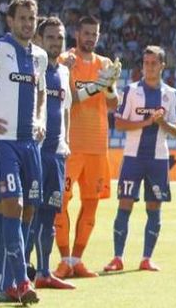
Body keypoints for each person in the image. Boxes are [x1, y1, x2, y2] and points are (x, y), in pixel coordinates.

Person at [103, 46, 176, 273]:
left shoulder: (171, 94)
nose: (149, 67)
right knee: (124, 204)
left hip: (158, 158)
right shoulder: (131, 91)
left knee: (154, 207)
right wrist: (147, 123)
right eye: (146, 63)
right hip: (132, 157)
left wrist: (161, 123)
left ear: (162, 66)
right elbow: (118, 123)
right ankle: (117, 257)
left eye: (153, 63)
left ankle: (146, 258)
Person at [54, 16, 121, 279]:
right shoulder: (65, 61)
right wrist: (98, 85)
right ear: (77, 34)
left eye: (95, 33)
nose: (90, 37)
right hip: (70, 145)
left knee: (91, 203)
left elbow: (114, 104)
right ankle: (62, 260)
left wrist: (110, 86)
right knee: (61, 203)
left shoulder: (104, 63)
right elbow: (71, 99)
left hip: (97, 146)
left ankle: (77, 260)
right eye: (86, 33)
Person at [0, 0, 48, 304]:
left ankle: (12, 279)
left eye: (32, 19)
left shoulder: (39, 57)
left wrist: (40, 119)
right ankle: (20, 280)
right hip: (5, 144)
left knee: (30, 209)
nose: (28, 24)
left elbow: (41, 94)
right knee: (13, 205)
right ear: (10, 21)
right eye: (22, 18)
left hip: (31, 144)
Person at [28, 17, 75, 290]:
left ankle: (45, 271)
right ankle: (24, 272)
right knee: (28, 215)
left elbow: (66, 109)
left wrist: (66, 141)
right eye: (51, 38)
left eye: (60, 38)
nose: (56, 42)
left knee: (49, 216)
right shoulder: (33, 70)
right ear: (39, 40)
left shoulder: (65, 73)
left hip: (56, 154)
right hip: (34, 152)